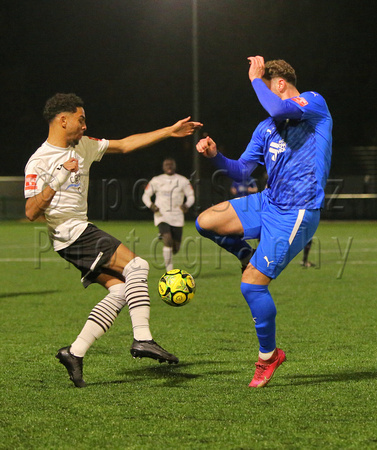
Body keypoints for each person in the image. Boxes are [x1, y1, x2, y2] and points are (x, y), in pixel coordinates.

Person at [24, 93, 202, 388]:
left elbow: (125, 144)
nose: (84, 125)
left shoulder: (83, 146)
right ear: (62, 119)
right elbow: (30, 212)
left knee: (120, 291)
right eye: (80, 119)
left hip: (78, 232)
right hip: (71, 233)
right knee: (138, 266)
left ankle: (74, 352)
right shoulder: (39, 161)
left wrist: (169, 131)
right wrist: (57, 178)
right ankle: (143, 339)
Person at [195, 56, 332, 388]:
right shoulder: (266, 128)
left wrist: (256, 78)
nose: (262, 93)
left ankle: (268, 357)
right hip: (268, 202)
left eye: (267, 86)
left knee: (251, 286)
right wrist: (216, 157)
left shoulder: (314, 104)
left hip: (297, 212)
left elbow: (281, 109)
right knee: (205, 221)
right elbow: (243, 170)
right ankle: (245, 255)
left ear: (280, 84)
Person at [142, 158, 195, 272]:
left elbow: (191, 196)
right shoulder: (156, 180)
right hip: (161, 215)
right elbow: (145, 196)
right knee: (168, 240)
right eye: (167, 164)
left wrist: (186, 205)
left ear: (175, 166)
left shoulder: (183, 180)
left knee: (175, 248)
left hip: (177, 216)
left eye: (171, 164)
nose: (169, 166)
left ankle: (164, 237)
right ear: (163, 167)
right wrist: (151, 205)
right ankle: (169, 271)